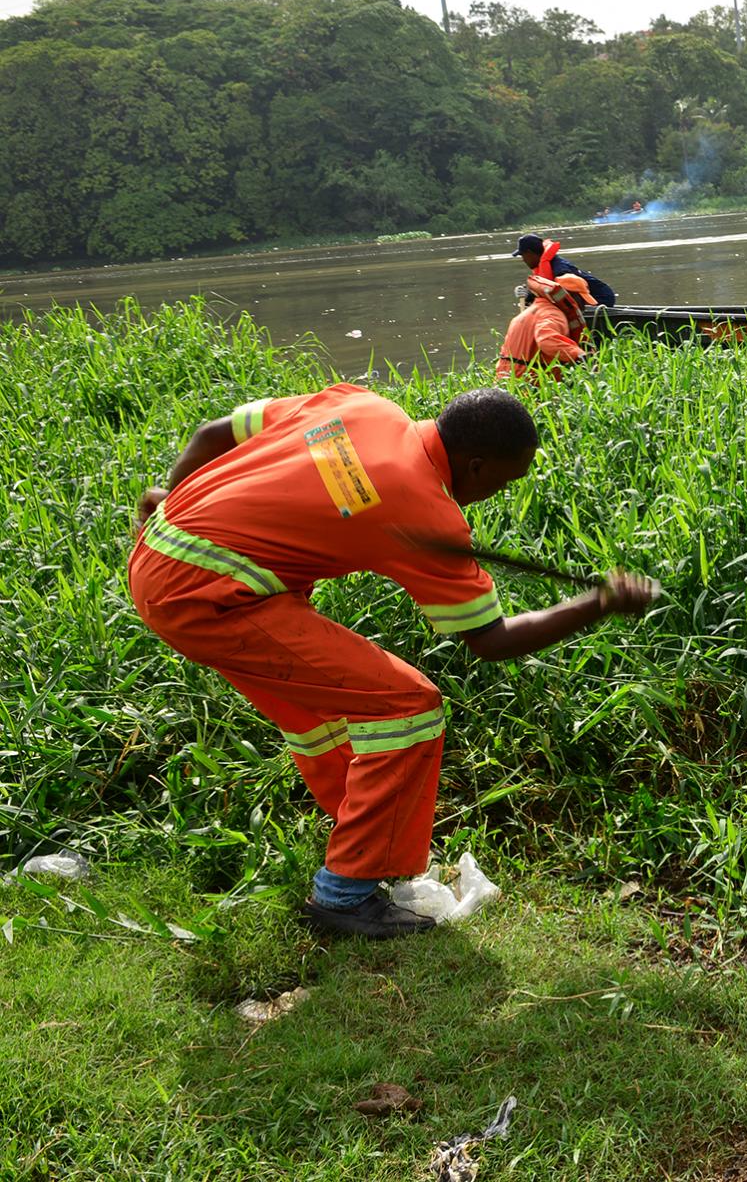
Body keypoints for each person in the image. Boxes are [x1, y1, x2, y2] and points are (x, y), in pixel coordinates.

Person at [128, 385, 658, 939]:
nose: (501, 491)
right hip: (207, 597)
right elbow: (492, 640)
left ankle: (358, 841)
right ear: (476, 466)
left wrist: (167, 495)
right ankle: (345, 895)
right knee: (410, 705)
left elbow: (213, 433)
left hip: (161, 555)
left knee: (322, 710)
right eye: (506, 480)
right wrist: (596, 603)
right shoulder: (425, 512)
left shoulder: (363, 407)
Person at [497, 278, 585, 382]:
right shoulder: (553, 314)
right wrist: (579, 355)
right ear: (570, 296)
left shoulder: (536, 308)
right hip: (529, 385)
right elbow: (546, 340)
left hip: (506, 380)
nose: (583, 305)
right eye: (582, 299)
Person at [511, 234, 619, 307]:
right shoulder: (546, 265)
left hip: (601, 299)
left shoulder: (560, 271)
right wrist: (528, 296)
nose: (523, 260)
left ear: (530, 253)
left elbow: (570, 301)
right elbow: (546, 291)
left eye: (523, 255)